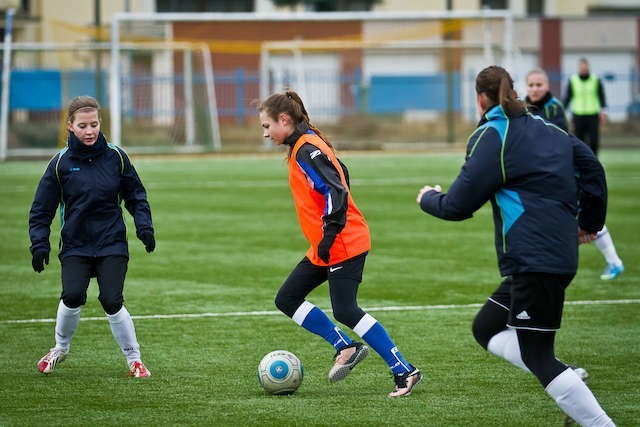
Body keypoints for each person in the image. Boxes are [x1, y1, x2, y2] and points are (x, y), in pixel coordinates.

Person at [417, 66, 615, 426]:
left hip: (533, 260)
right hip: (552, 257)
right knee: (487, 327)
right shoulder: (552, 129)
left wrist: (428, 198)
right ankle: (568, 381)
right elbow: (593, 168)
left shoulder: (494, 133)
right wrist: (590, 222)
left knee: (538, 355)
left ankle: (593, 413)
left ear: (481, 98)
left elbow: (457, 206)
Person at [257, 90, 421, 397]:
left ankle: (405, 370)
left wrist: (331, 232)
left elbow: (335, 189)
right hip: (328, 243)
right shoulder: (304, 146)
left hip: (344, 241)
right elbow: (341, 173)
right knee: (287, 298)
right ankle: (344, 346)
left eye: (267, 126)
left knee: (346, 309)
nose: (265, 133)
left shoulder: (307, 148)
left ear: (284, 119)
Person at [29, 95, 155, 378]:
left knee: (112, 300)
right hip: (76, 245)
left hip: (111, 243)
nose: (90, 131)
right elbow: (41, 209)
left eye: (94, 124)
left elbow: (136, 196)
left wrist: (144, 227)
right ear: (71, 127)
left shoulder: (117, 158)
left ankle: (135, 360)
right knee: (73, 296)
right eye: (83, 125)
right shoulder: (60, 164)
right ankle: (60, 349)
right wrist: (39, 243)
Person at [528, 68, 624, 280]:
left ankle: (614, 260)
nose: (535, 89)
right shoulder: (526, 109)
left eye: (539, 85)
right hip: (545, 175)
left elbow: (557, 142)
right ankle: (612, 261)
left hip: (565, 173)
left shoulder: (554, 109)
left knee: (577, 214)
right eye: (531, 85)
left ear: (547, 86)